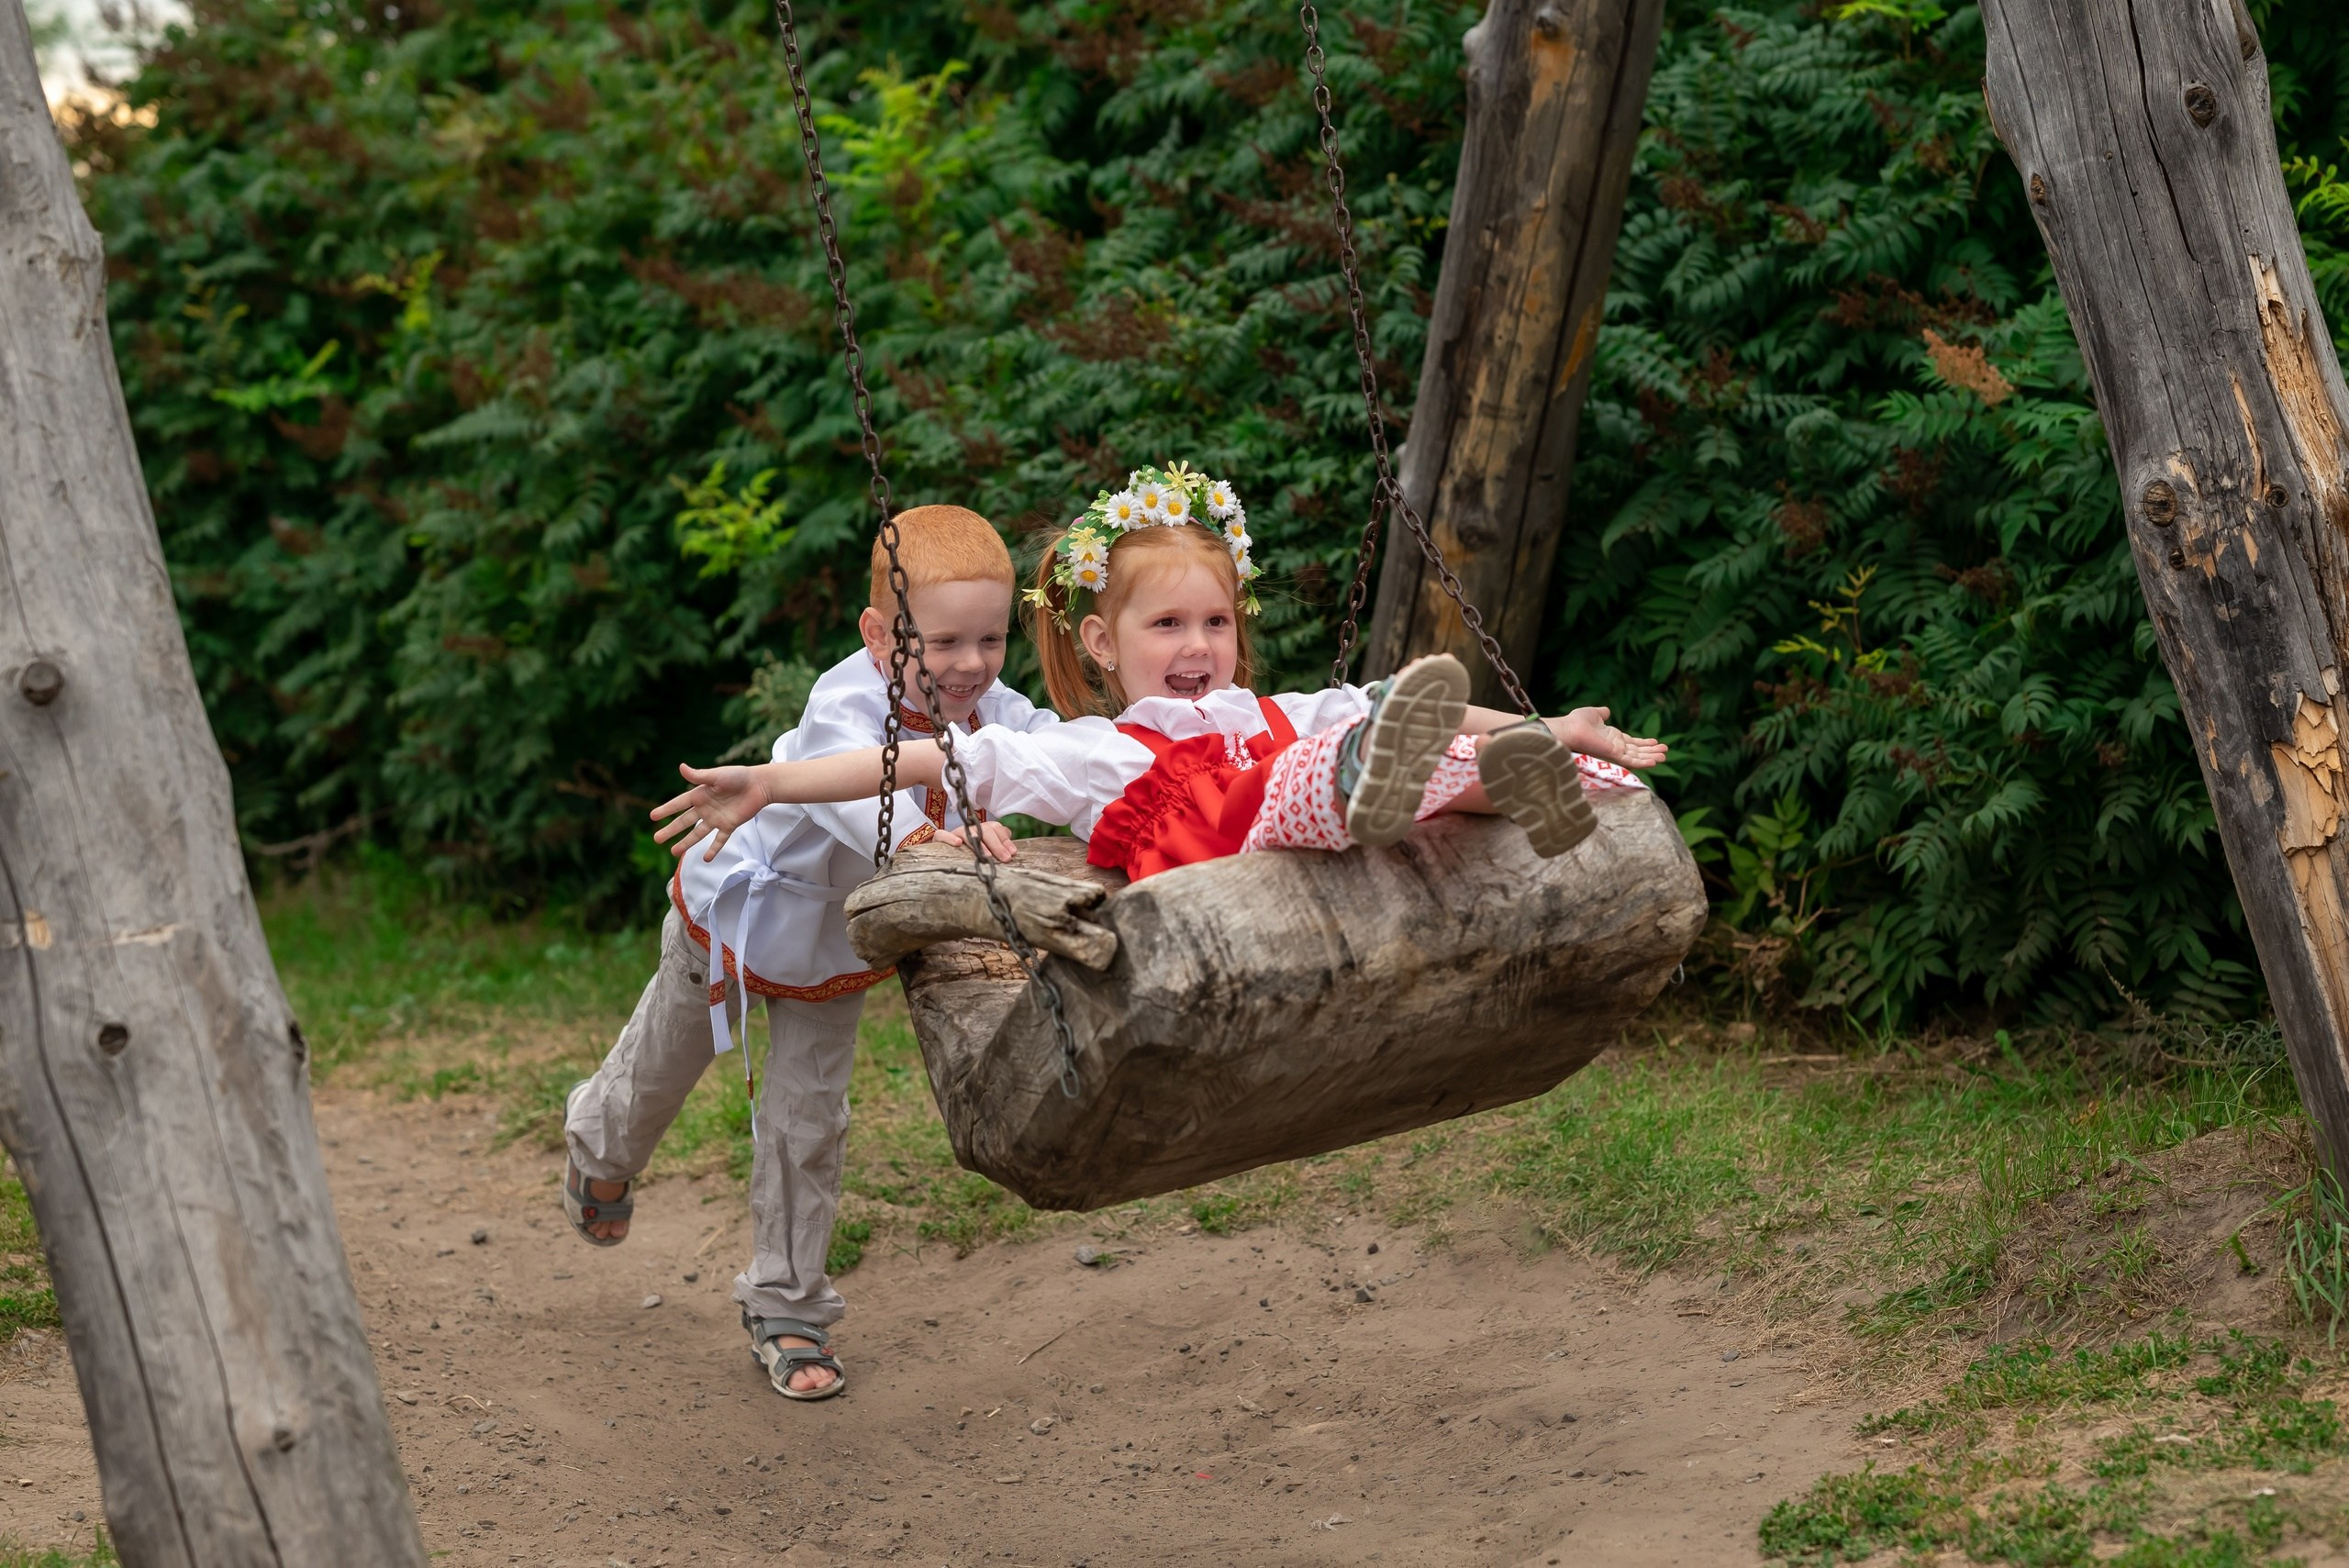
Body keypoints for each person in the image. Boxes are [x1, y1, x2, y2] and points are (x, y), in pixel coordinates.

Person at [562, 504, 1057, 1402]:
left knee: (808, 1122)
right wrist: (930, 836)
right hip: (735, 916)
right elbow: (857, 798)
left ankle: (786, 1304)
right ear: (878, 634)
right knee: (658, 1072)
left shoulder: (992, 708)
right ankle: (598, 1146)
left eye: (991, 638)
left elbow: (1050, 751)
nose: (970, 663)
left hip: (833, 951)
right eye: (943, 641)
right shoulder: (845, 701)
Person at [652, 464, 1664, 884]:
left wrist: (1555, 726)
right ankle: (1372, 781)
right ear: (1102, 644)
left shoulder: (1262, 705)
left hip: (1339, 790)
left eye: (1216, 620)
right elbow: (922, 754)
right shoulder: (1083, 750)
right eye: (1168, 622)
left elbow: (1388, 700)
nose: (1197, 645)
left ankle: (1522, 773)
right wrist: (773, 779)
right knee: (1311, 773)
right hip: (1244, 850)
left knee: (1384, 725)